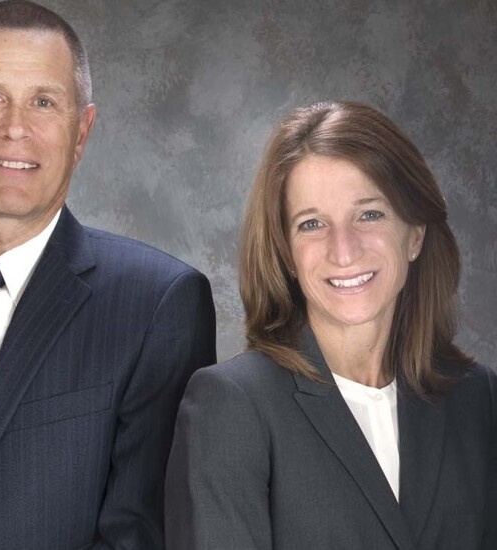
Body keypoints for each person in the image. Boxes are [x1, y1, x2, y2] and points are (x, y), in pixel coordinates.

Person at [0, 1, 217, 547]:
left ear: (81, 132)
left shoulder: (158, 305)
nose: (15, 128)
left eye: (44, 102)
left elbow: (139, 536)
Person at [165, 100, 497, 549]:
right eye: (312, 223)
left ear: (415, 233)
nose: (344, 250)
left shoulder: (477, 398)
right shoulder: (233, 406)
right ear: (286, 252)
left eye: (369, 214)